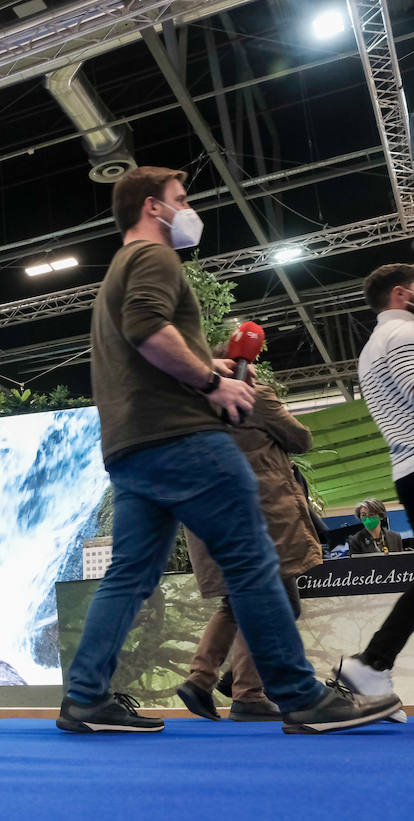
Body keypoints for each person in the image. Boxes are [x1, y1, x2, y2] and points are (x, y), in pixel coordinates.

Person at [59, 165, 400, 734]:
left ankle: (86, 697)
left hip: (130, 447)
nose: (188, 209)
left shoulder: (116, 272)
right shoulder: (153, 256)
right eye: (181, 199)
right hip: (185, 440)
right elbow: (147, 327)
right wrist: (213, 383)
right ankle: (300, 697)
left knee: (129, 576)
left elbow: (138, 343)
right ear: (152, 207)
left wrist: (204, 361)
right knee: (255, 562)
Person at [177, 379, 322, 722]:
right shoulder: (251, 394)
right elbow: (300, 439)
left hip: (209, 517)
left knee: (238, 602)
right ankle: (246, 691)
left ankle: (206, 678)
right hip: (264, 518)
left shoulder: (187, 405)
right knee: (282, 604)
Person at [335, 264, 414, 716]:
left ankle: (374, 663)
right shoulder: (401, 336)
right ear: (402, 294)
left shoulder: (372, 347)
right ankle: (372, 661)